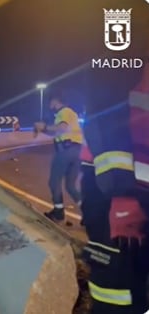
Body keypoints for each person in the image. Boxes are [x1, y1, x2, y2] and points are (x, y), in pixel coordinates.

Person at [79, 41, 149, 313]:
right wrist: (121, 197)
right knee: (117, 292)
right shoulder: (125, 52)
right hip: (118, 194)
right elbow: (103, 117)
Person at [34, 92, 84, 223]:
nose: (49, 105)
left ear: (56, 100)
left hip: (65, 151)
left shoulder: (64, 112)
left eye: (50, 101)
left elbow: (62, 128)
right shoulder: (69, 113)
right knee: (70, 186)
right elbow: (57, 133)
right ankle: (89, 214)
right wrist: (43, 129)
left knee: (54, 182)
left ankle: (58, 213)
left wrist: (44, 126)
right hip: (76, 151)